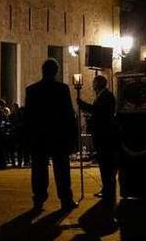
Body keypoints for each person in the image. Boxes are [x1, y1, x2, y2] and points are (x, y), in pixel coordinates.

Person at [24, 59, 78, 211]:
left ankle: (38, 199)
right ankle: (66, 199)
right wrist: (73, 135)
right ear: (56, 72)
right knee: (62, 169)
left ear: (43, 71)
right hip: (58, 135)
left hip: (39, 135)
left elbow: (28, 116)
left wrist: (28, 137)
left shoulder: (32, 90)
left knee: (39, 170)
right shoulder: (62, 89)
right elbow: (68, 114)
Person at [77, 74, 119, 208]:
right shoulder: (101, 95)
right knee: (103, 165)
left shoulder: (106, 96)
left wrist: (83, 104)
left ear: (99, 83)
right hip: (101, 135)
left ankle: (109, 191)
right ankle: (106, 188)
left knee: (107, 165)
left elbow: (100, 112)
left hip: (105, 135)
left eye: (94, 82)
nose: (92, 85)